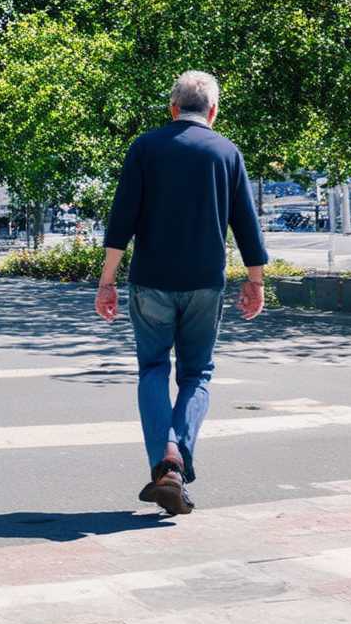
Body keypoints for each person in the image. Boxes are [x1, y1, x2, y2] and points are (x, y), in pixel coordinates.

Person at [94, 71, 269, 517]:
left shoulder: (146, 148)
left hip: (151, 279)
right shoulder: (227, 152)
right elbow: (245, 223)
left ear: (172, 108)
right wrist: (255, 281)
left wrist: (107, 281)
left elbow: (122, 220)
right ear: (213, 111)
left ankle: (165, 458)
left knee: (153, 368)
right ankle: (179, 458)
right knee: (197, 374)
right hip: (205, 283)